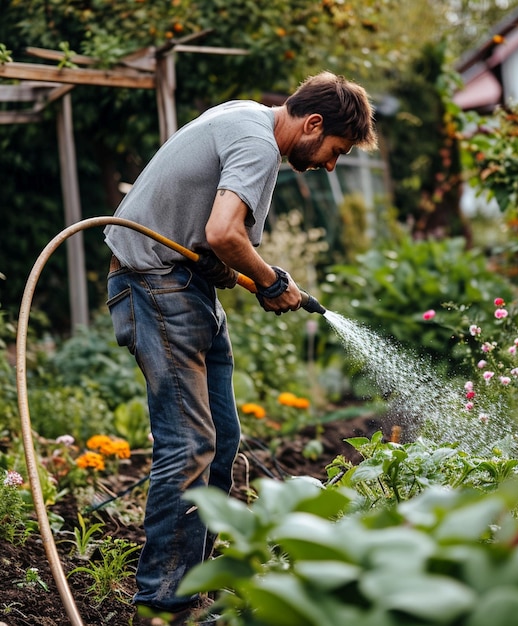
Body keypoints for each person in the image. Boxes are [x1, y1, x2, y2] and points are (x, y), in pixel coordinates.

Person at [103, 71, 377, 626]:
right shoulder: (257, 141)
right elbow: (226, 231)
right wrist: (272, 281)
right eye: (335, 151)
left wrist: (231, 270)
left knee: (222, 439)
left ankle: (195, 581)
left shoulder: (245, 114)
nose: (330, 165)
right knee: (190, 443)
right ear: (314, 123)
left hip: (183, 286)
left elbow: (208, 239)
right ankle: (163, 603)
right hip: (155, 285)